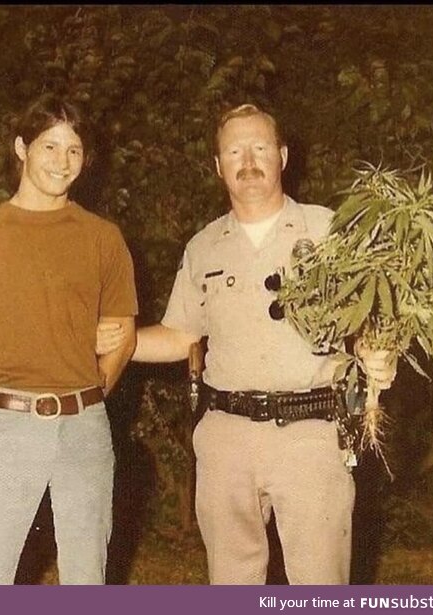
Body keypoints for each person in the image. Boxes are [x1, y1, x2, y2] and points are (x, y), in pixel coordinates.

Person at [96, 103, 395, 585]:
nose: (248, 161)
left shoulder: (331, 232)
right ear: (218, 166)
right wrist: (115, 341)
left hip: (311, 434)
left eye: (259, 147)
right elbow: (180, 335)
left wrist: (379, 354)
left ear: (282, 156)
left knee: (320, 586)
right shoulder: (204, 247)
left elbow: (372, 316)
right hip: (225, 438)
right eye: (234, 151)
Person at [0, 95, 137, 585]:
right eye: (50, 146)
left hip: (85, 430)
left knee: (86, 575)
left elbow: (123, 335)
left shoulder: (103, 237)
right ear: (21, 148)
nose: (62, 161)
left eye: (74, 150)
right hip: (7, 427)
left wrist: (91, 394)